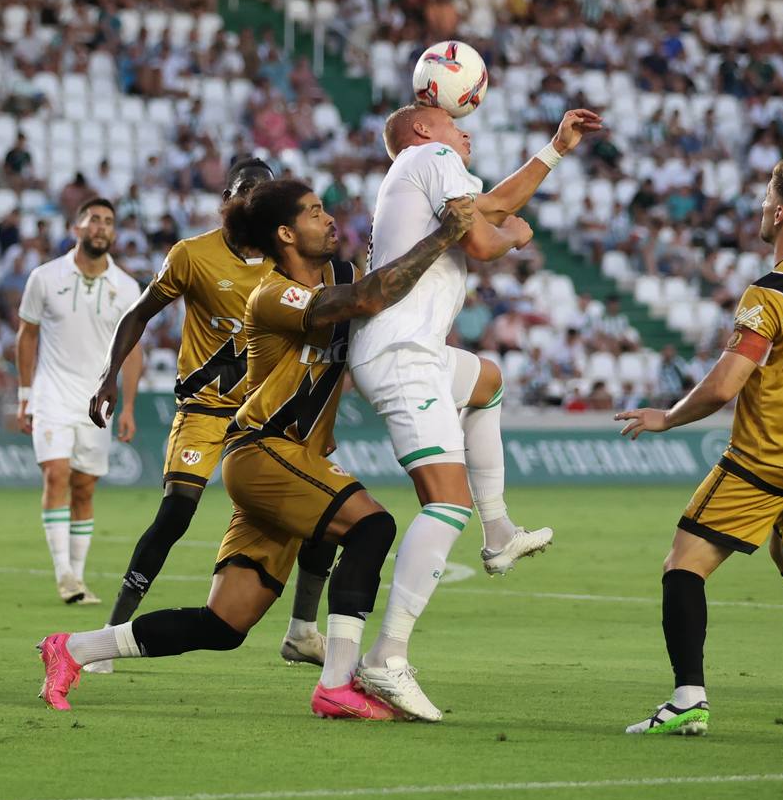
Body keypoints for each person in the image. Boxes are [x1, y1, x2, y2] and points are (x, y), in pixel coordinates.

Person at [37, 182, 479, 717]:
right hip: (263, 449)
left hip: (292, 459)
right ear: (287, 234)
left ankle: (74, 649)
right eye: (315, 213)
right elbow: (367, 299)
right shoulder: (271, 294)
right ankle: (338, 683)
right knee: (372, 526)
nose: (330, 218)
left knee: (223, 625)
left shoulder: (343, 273)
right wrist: (443, 234)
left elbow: (385, 292)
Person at [347, 103, 602, 722]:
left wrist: (554, 150)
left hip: (421, 352)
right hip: (402, 352)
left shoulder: (427, 171)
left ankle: (499, 532)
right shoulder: (429, 157)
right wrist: (515, 233)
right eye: (453, 120)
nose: (466, 130)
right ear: (423, 128)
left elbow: (487, 209)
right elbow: (487, 236)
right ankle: (387, 656)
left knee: (487, 381)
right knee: (444, 501)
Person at [616, 158, 783, 735]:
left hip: (770, 457)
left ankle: (688, 698)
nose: (762, 206)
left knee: (683, 566)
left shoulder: (768, 295)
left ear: (781, 211)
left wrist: (666, 418)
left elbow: (722, 387)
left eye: (767, 196)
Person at [86, 159, 337, 671]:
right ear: (228, 197)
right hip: (205, 408)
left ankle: (303, 631)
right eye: (246, 193)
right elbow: (139, 314)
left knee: (322, 515)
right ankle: (110, 632)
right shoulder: (192, 255)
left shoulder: (287, 263)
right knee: (176, 512)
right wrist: (109, 375)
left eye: (264, 195)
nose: (253, 202)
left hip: (268, 416)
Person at [16, 198, 143, 622]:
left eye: (108, 221)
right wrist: (24, 394)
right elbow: (26, 335)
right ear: (77, 228)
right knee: (57, 474)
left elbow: (134, 351)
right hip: (51, 395)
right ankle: (64, 574)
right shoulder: (45, 277)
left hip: (98, 401)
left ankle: (79, 574)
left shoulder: (127, 287)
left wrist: (128, 406)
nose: (101, 227)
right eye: (94, 220)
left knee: (85, 487)